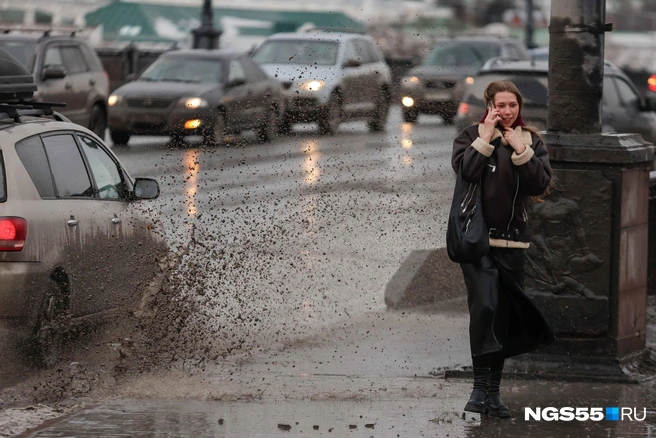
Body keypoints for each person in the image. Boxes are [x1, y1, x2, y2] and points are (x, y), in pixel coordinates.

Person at [451, 81, 555, 418]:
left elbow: (539, 184)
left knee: (502, 317)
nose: (507, 111)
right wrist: (488, 138)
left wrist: (518, 148)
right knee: (484, 307)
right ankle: (478, 388)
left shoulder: (530, 140)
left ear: (519, 107)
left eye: (512, 105)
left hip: (513, 242)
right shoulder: (471, 136)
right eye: (501, 105)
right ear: (490, 106)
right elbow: (465, 171)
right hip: (477, 242)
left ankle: (493, 395)